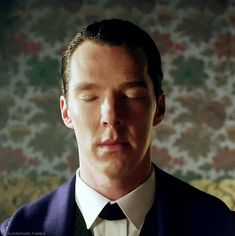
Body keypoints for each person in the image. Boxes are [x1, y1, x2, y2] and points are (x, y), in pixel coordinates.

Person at [0, 19, 234, 236]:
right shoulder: (16, 230)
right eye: (90, 97)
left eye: (130, 96)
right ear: (66, 111)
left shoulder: (220, 225)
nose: (110, 116)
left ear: (159, 108)